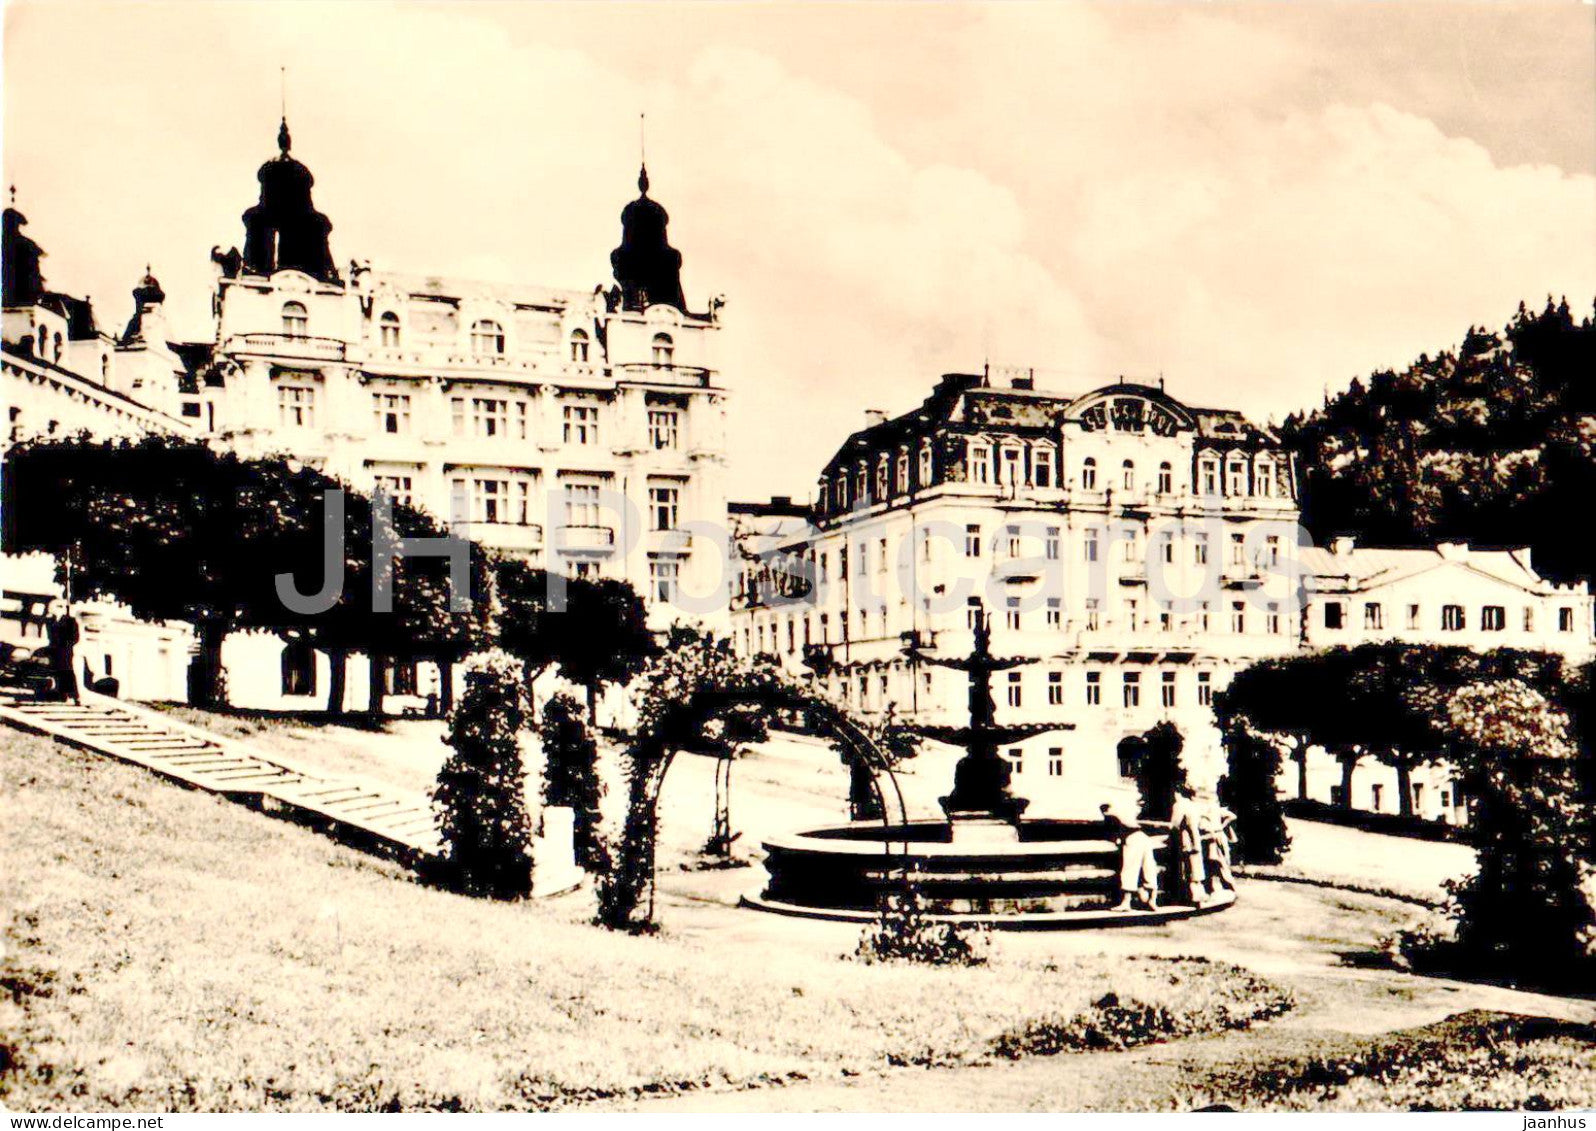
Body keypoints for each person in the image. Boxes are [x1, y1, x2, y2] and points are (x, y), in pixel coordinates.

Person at [1100, 802, 1159, 911]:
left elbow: (1118, 832)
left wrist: (1118, 839)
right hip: (1144, 838)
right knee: (1149, 869)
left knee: (1129, 870)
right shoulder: (1128, 810)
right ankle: (1152, 900)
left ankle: (1126, 903)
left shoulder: (1111, 814)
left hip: (1132, 839)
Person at [1168, 783, 1208, 905]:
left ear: (1178, 793)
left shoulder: (1179, 805)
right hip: (1196, 839)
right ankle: (1200, 893)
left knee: (1187, 867)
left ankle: (1192, 896)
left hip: (1186, 840)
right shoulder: (1194, 806)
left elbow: (1174, 825)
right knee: (1196, 867)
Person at [1200, 794, 1238, 899]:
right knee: (1210, 863)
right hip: (1210, 837)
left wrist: (1221, 826)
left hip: (1217, 836)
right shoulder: (1207, 810)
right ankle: (1210, 888)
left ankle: (1229, 887)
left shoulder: (1216, 809)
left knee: (1220, 862)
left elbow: (1232, 816)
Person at [44, 599, 80, 704]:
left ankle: (73, 696)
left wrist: (67, 646)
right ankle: (62, 694)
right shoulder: (52, 621)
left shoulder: (70, 620)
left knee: (67, 672)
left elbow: (75, 637)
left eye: (52, 608)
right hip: (55, 650)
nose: (50, 611)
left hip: (65, 650)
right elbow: (50, 637)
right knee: (58, 672)